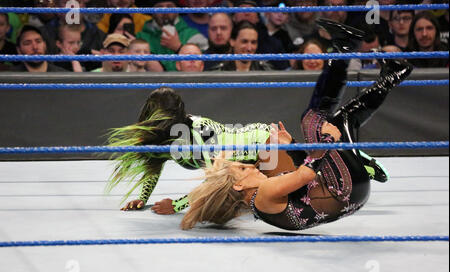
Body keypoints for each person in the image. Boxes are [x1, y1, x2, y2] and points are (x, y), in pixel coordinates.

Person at [106, 19, 391, 215]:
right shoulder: (167, 137)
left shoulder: (199, 135)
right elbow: (155, 163)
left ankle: (357, 164)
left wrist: (177, 205)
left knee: (297, 190)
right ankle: (354, 159)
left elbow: (215, 183)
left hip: (259, 143)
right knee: (295, 175)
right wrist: (142, 199)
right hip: (249, 152)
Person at [180, 37, 413, 231]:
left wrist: (291, 145)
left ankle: (368, 63)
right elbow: (306, 175)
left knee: (325, 120)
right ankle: (346, 52)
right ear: (239, 186)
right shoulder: (264, 193)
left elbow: (303, 186)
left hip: (347, 194)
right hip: (346, 191)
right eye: (242, 168)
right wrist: (329, 140)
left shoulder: (258, 202)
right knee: (316, 121)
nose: (250, 166)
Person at [136, 0, 209, 71]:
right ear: (152, 12)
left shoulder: (192, 34)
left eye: (169, 6)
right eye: (159, 7)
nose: (165, 11)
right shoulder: (142, 37)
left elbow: (206, 64)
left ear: (177, 11)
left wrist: (178, 47)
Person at [40, 0, 106, 71]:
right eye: (66, 2)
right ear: (57, 6)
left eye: (77, 2)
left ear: (84, 6)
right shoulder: (43, 34)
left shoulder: (99, 36)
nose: (72, 7)